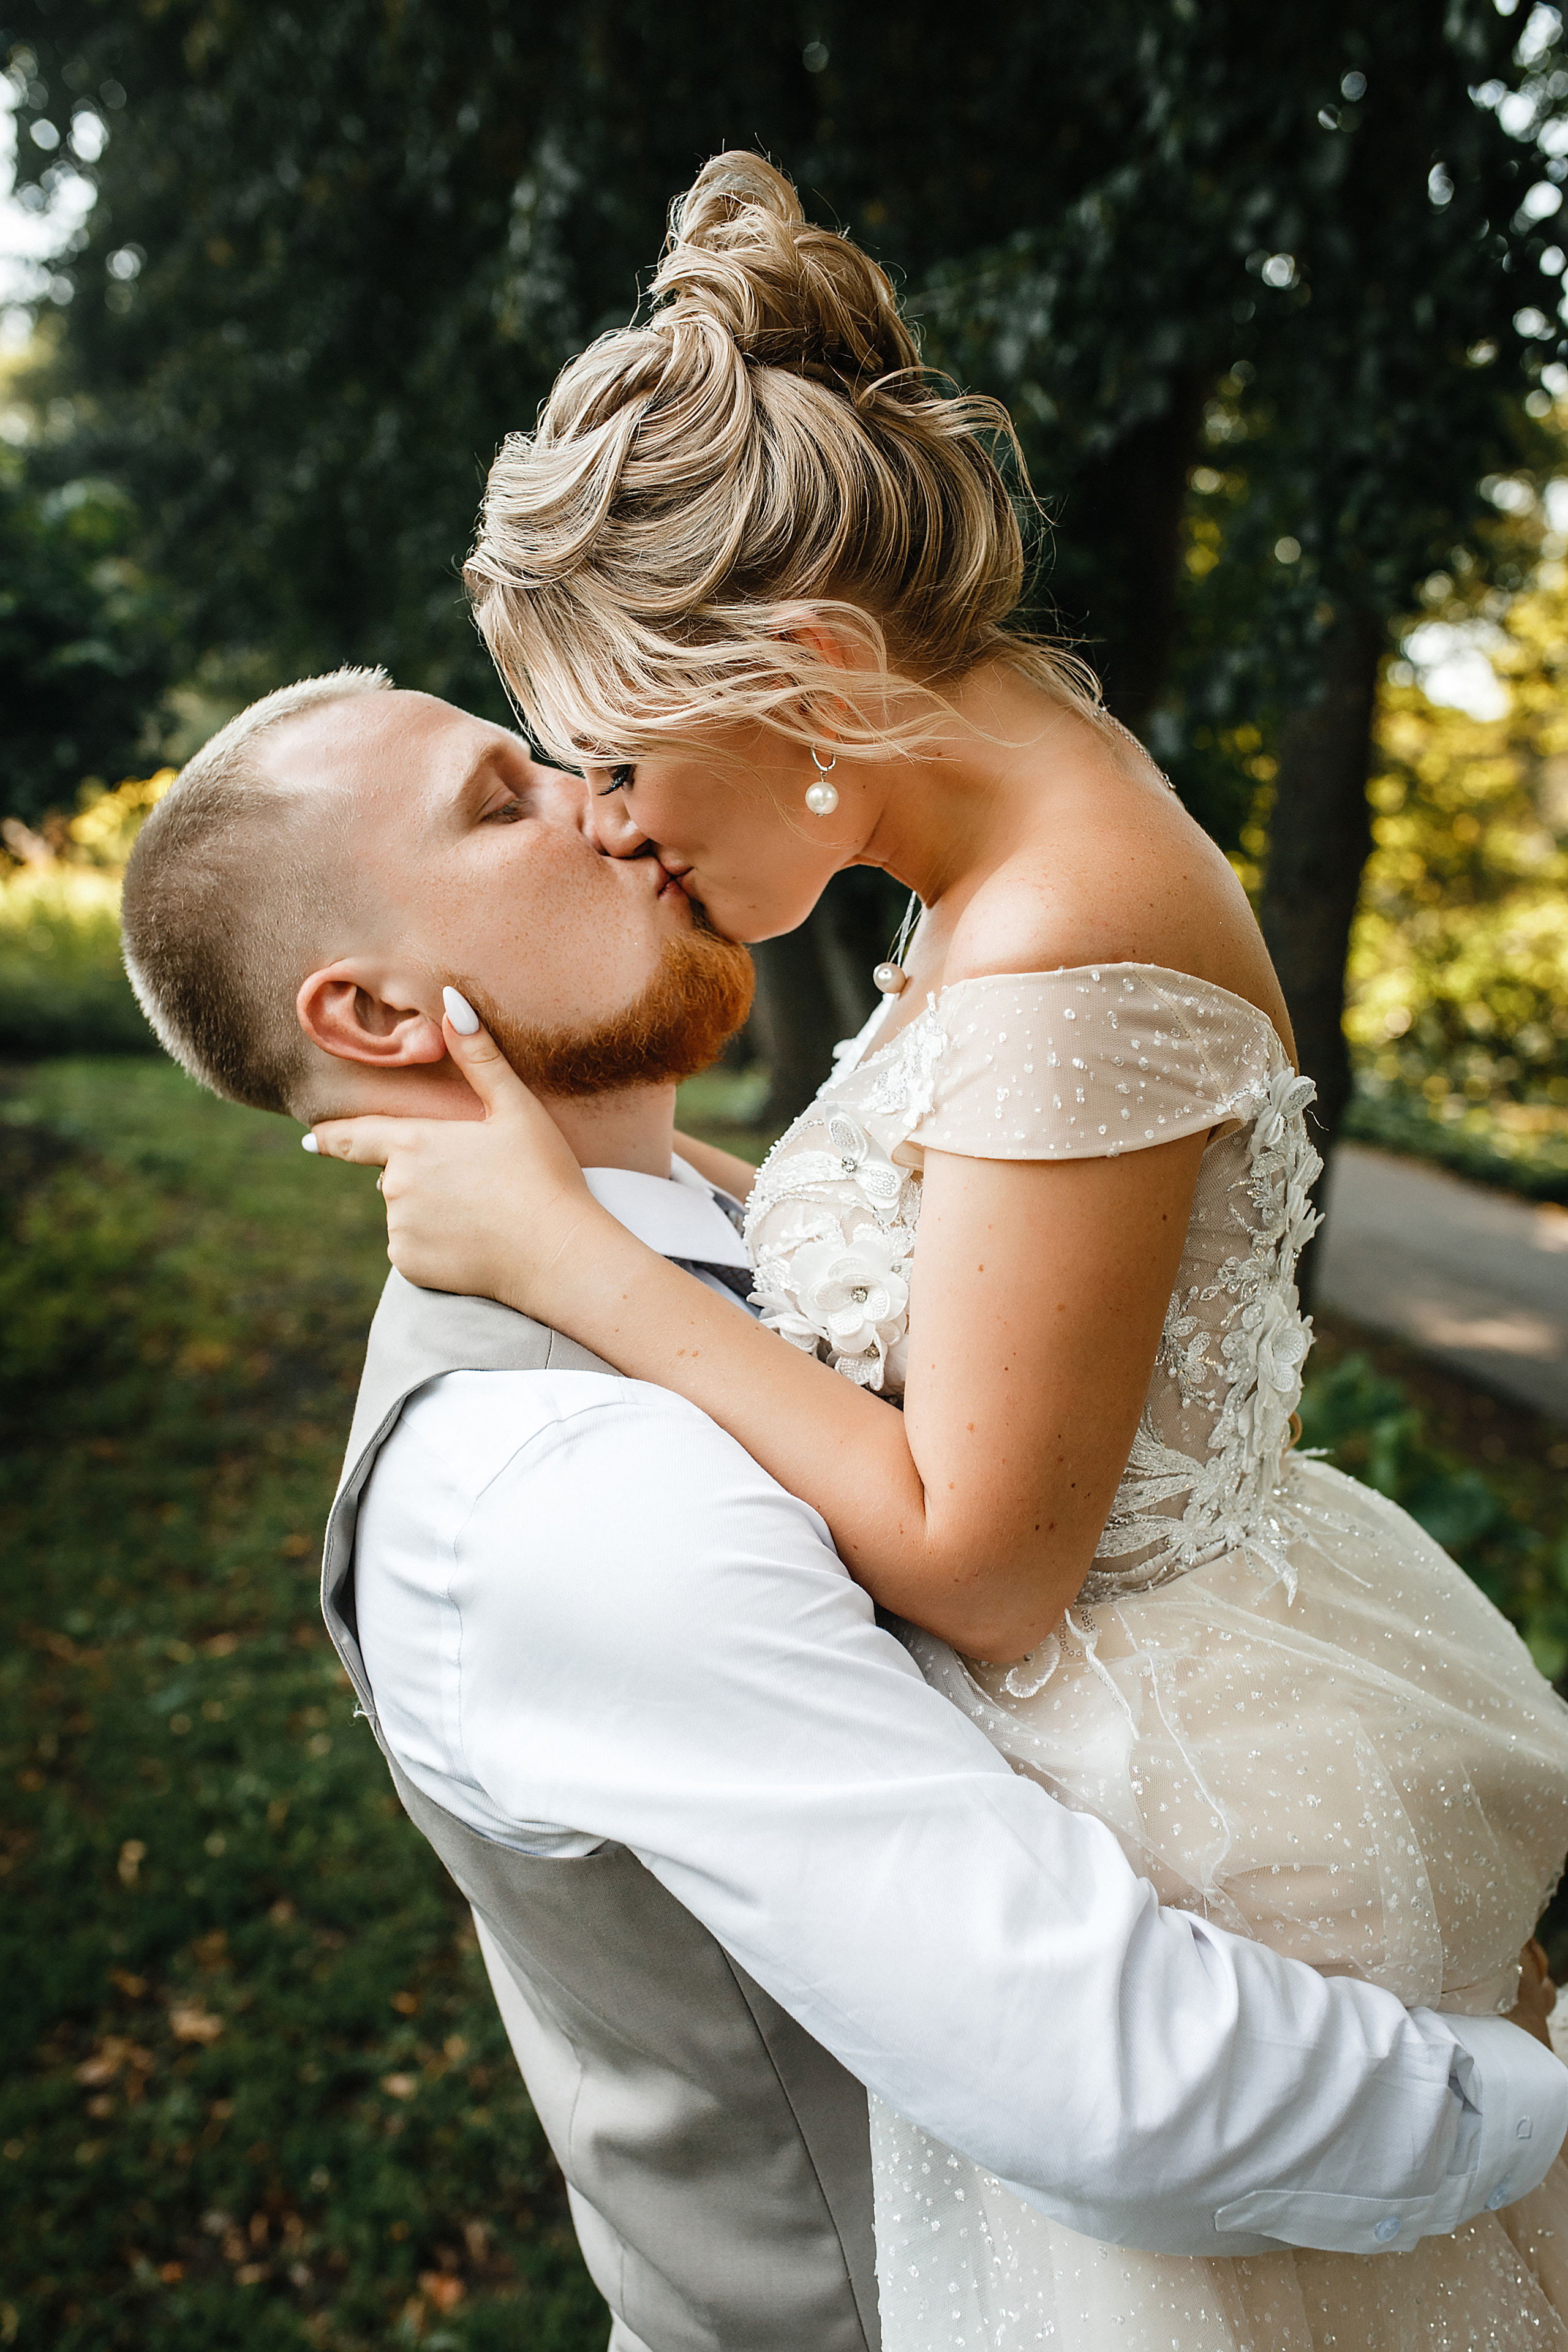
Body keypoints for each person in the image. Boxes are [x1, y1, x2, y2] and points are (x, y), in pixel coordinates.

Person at [309, 155, 1568, 2346]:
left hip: (1210, 1816)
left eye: (614, 760)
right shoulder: (1011, 870)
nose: (612, 825)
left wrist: (574, 1262)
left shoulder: (1070, 937)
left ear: (807, 664)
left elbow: (986, 1562)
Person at [121, 673, 1566, 2352]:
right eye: (504, 800)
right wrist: (1532, 2095)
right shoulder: (559, 1496)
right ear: (375, 1015)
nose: (604, 799)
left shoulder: (697, 1239)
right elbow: (1119, 2079)